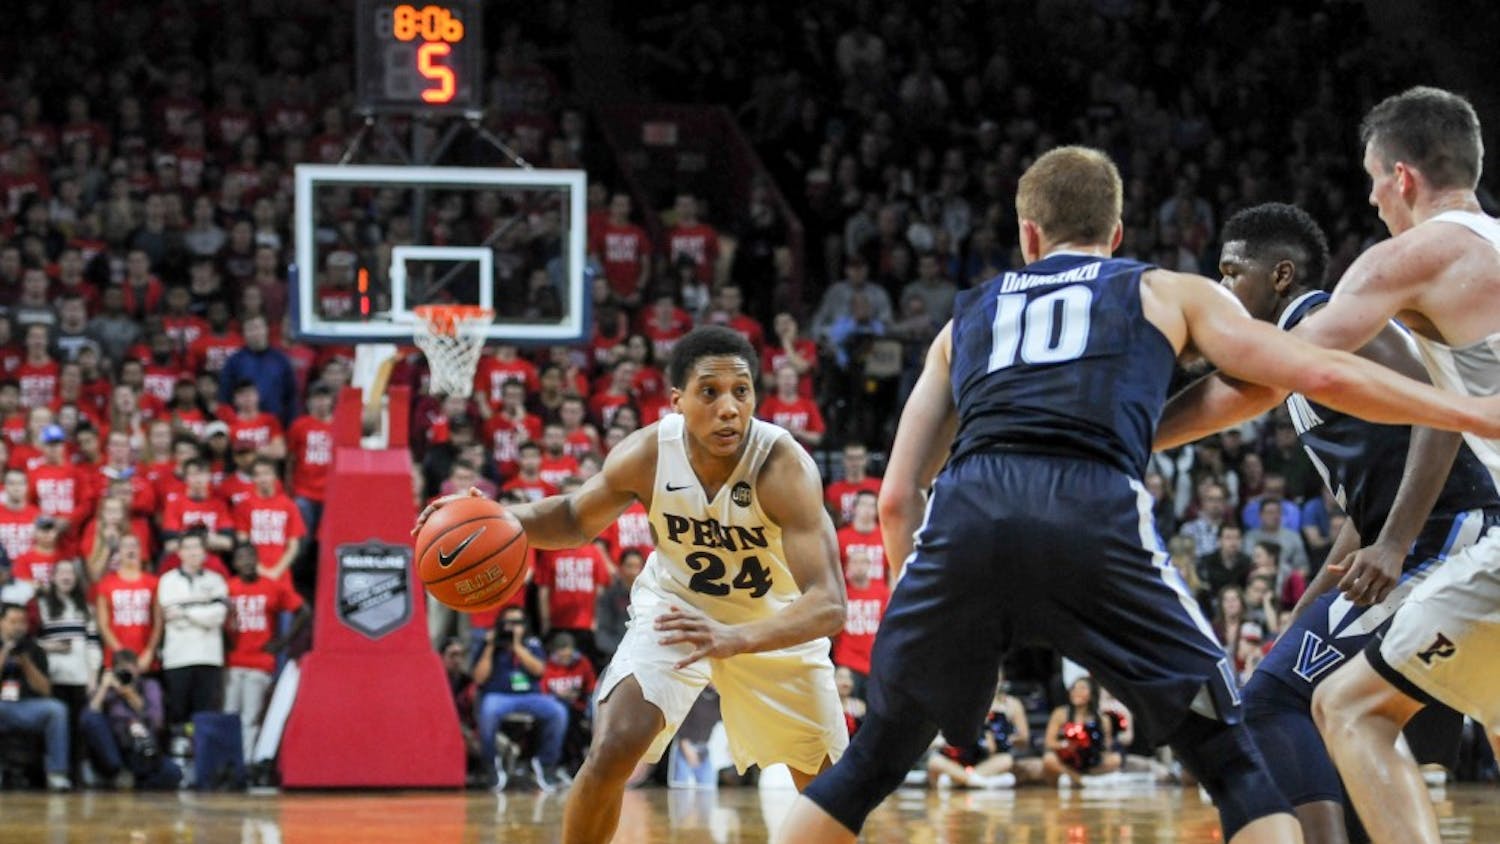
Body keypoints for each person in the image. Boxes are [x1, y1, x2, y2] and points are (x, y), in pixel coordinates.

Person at [778, 146, 1500, 844]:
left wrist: (925, 598)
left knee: (868, 765)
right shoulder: (1163, 289)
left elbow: (900, 495)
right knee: (1234, 759)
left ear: (1029, 233)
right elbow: (1314, 375)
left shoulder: (962, 320)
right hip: (1093, 506)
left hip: (966, 509)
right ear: (1116, 234)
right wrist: (1471, 411)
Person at [1155, 89, 1500, 844]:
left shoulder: (1403, 265)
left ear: (1403, 177)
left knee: (1328, 705)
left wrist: (1135, 428)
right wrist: (1328, 583)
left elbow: (1306, 381)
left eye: (1375, 179)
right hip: (1459, 527)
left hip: (1465, 524)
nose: (1373, 198)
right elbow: (1427, 415)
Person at [418, 326, 847, 844]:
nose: (730, 408)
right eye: (710, 392)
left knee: (831, 798)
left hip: (771, 625)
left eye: (742, 390)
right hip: (676, 610)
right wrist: (494, 518)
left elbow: (828, 604)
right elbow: (576, 516)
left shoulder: (783, 468)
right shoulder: (648, 453)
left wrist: (735, 639)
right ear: (678, 401)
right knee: (614, 746)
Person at [225, 543, 307, 760]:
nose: (248, 562)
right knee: (228, 716)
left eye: (251, 557)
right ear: (235, 564)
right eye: (242, 558)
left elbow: (303, 611)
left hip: (259, 662)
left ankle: (247, 764)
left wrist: (282, 642)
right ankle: (228, 764)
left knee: (250, 718)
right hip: (232, 662)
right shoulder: (229, 587)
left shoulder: (272, 586)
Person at [472, 606, 569, 791]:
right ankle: (492, 764)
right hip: (499, 696)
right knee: (487, 710)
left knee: (558, 711)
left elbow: (539, 670)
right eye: (508, 623)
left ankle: (545, 763)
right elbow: (478, 678)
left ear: (524, 625)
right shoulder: (490, 644)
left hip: (530, 696)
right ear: (501, 624)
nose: (513, 627)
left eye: (518, 623)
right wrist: (491, 647)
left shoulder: (531, 644)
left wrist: (517, 647)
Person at [78, 648, 180, 789]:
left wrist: (129, 693)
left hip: (142, 749)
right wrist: (103, 687)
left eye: (131, 671)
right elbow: (89, 716)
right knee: (91, 717)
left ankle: (131, 782)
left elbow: (156, 721)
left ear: (138, 670)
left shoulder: (149, 686)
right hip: (114, 748)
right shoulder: (108, 689)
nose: (127, 676)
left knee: (173, 774)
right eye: (122, 671)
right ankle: (118, 773)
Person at [156, 532, 229, 727]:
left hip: (209, 657)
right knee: (178, 715)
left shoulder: (216, 580)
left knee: (205, 717)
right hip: (178, 658)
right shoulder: (167, 581)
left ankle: (202, 757)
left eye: (197, 547)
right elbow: (171, 615)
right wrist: (203, 609)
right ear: (179, 553)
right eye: (187, 547)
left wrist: (186, 612)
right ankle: (179, 757)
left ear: (205, 552)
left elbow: (218, 616)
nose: (193, 552)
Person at [0, 602, 72, 790]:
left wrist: (25, 662)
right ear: (1, 622)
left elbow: (45, 691)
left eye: (22, 622)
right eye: (12, 621)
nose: (18, 626)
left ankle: (57, 774)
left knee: (57, 709)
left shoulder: (34, 648)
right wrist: (4, 653)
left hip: (26, 706)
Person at [1042, 677, 1123, 786]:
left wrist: (1093, 749)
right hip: (1068, 758)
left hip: (1092, 759)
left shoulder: (1103, 718)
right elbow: (1049, 742)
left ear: (1091, 693)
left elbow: (1107, 746)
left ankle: (1086, 776)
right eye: (1074, 689)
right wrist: (1066, 745)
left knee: (1116, 759)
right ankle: (1078, 778)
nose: (1076, 692)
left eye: (1082, 688)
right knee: (1049, 759)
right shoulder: (1060, 713)